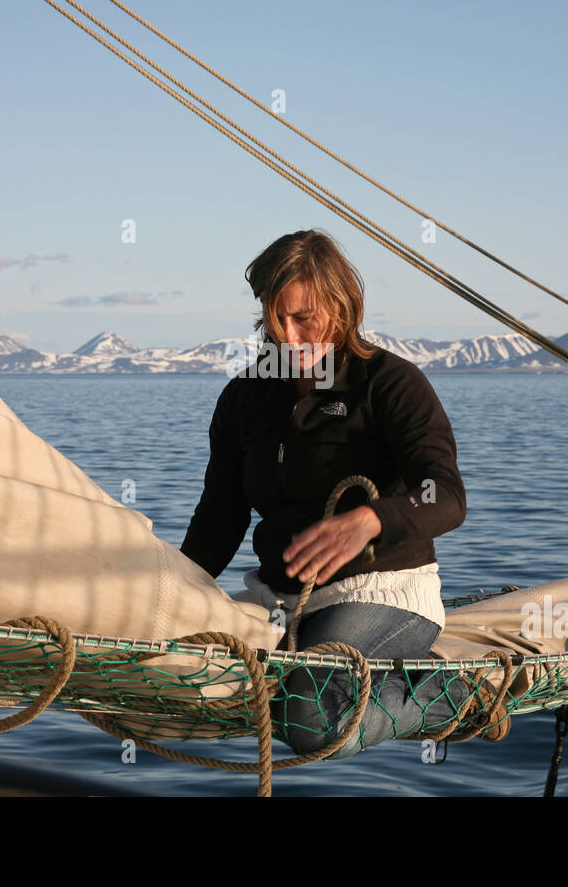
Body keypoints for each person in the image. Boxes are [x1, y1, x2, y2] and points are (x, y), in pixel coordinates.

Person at [180, 228, 508, 758]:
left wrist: (372, 519)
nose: (288, 336)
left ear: (342, 305)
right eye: (275, 317)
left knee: (306, 717)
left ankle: (456, 693)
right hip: (277, 602)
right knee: (176, 671)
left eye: (304, 318)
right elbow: (220, 515)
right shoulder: (245, 397)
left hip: (382, 593)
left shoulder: (391, 384)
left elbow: (446, 495)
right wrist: (172, 589)